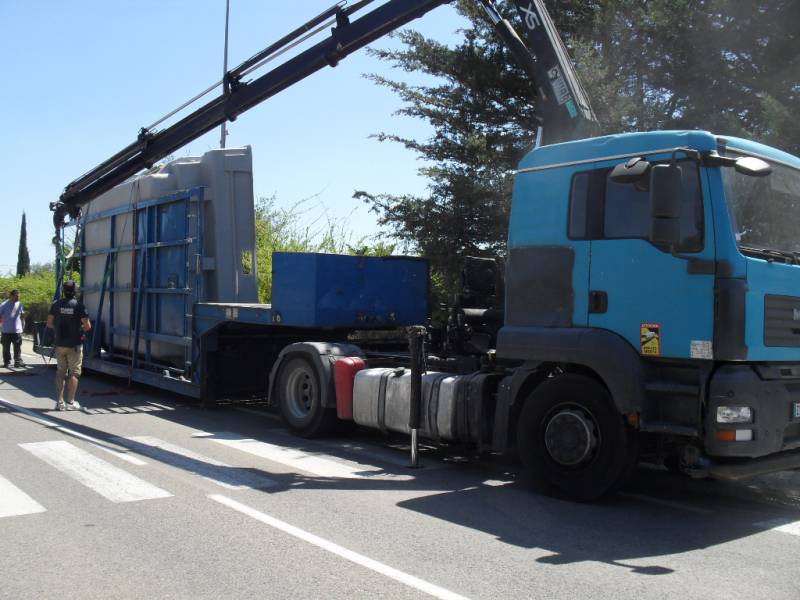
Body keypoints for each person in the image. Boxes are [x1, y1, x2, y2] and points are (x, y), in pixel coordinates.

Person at [46, 281, 91, 411]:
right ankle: (70, 402)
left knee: (60, 373)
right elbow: (87, 326)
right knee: (74, 373)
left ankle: (59, 403)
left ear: (63, 290)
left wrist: (60, 329)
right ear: (75, 291)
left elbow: (49, 324)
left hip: (60, 344)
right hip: (74, 345)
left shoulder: (55, 304)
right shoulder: (79, 306)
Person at [0, 289, 25, 368]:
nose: (18, 298)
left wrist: (23, 325)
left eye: (19, 296)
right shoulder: (3, 305)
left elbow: (22, 316)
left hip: (17, 331)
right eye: (16, 296)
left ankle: (17, 361)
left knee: (17, 347)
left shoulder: (20, 304)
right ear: (11, 296)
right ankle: (7, 362)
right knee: (6, 348)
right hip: (6, 330)